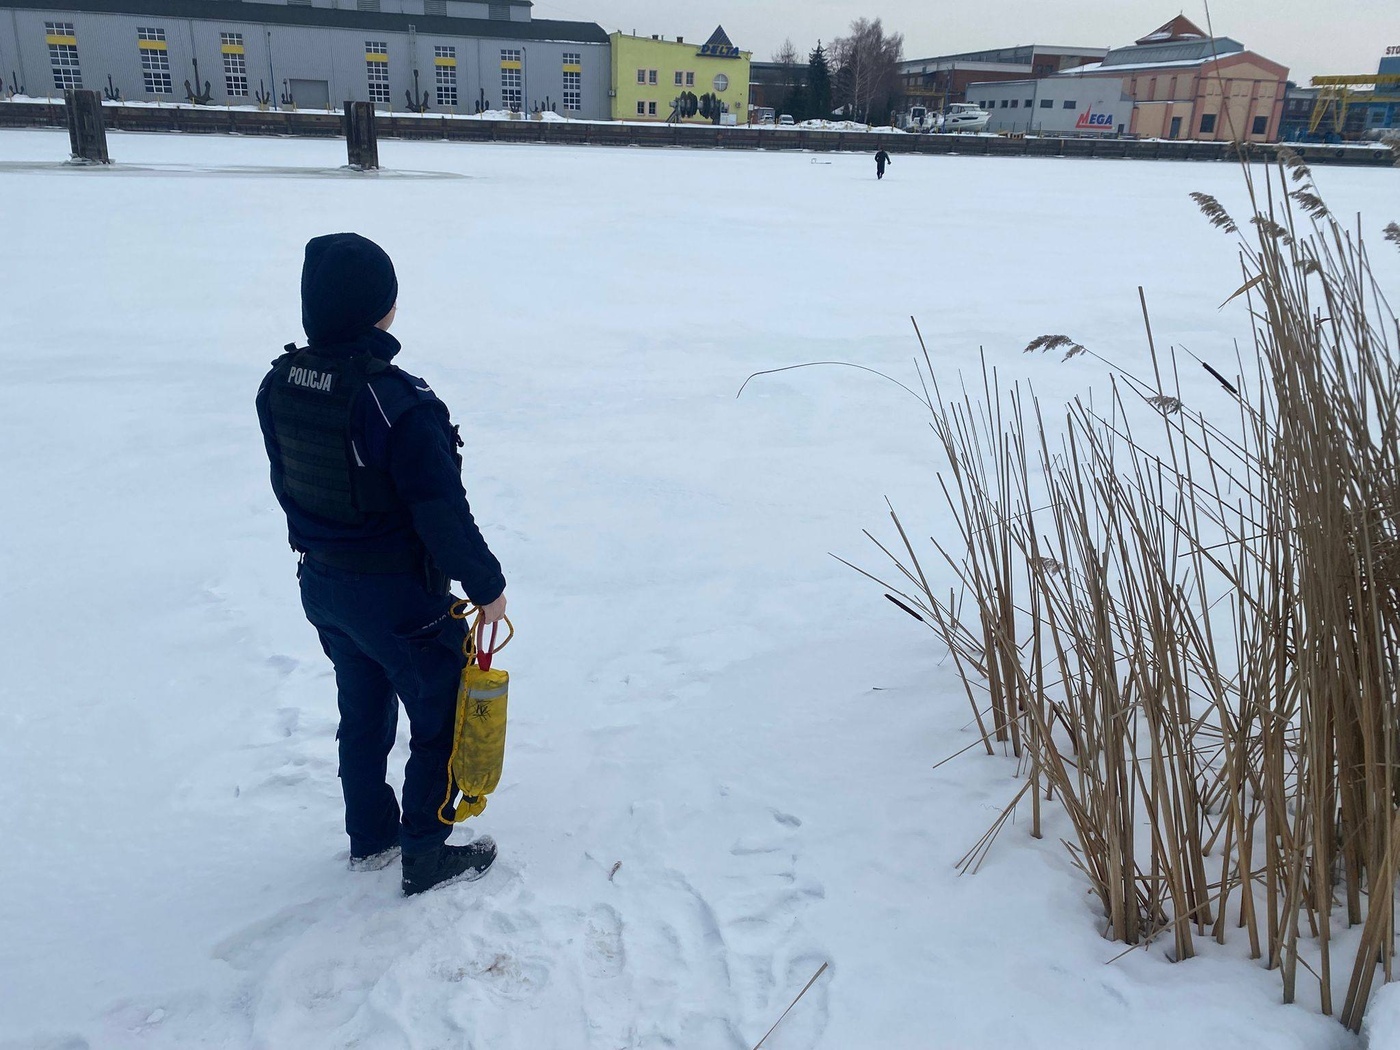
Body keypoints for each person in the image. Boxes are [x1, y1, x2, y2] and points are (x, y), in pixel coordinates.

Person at [256, 233, 507, 897]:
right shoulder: (397, 402)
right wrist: (487, 587)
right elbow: (441, 512)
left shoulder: (279, 383)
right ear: (378, 309)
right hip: (398, 598)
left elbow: (288, 483)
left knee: (363, 710)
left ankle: (370, 837)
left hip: (323, 586)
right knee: (440, 718)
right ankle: (425, 853)